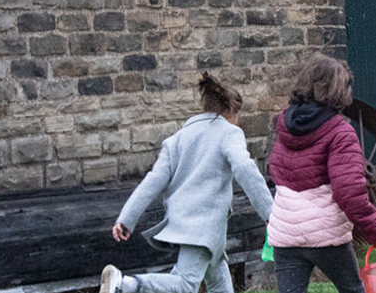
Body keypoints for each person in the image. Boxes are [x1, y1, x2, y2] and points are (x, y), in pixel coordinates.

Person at [101, 73, 273, 293]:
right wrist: (269, 213)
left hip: (186, 224)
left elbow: (153, 180)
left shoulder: (177, 139)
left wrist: (127, 219)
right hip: (203, 226)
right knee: (185, 284)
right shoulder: (230, 132)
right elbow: (245, 167)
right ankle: (126, 285)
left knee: (219, 280)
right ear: (232, 111)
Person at [266, 55, 376, 293]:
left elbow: (274, 173)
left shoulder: (283, 125)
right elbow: (349, 194)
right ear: (340, 91)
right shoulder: (340, 132)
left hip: (286, 234)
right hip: (326, 236)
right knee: (352, 289)